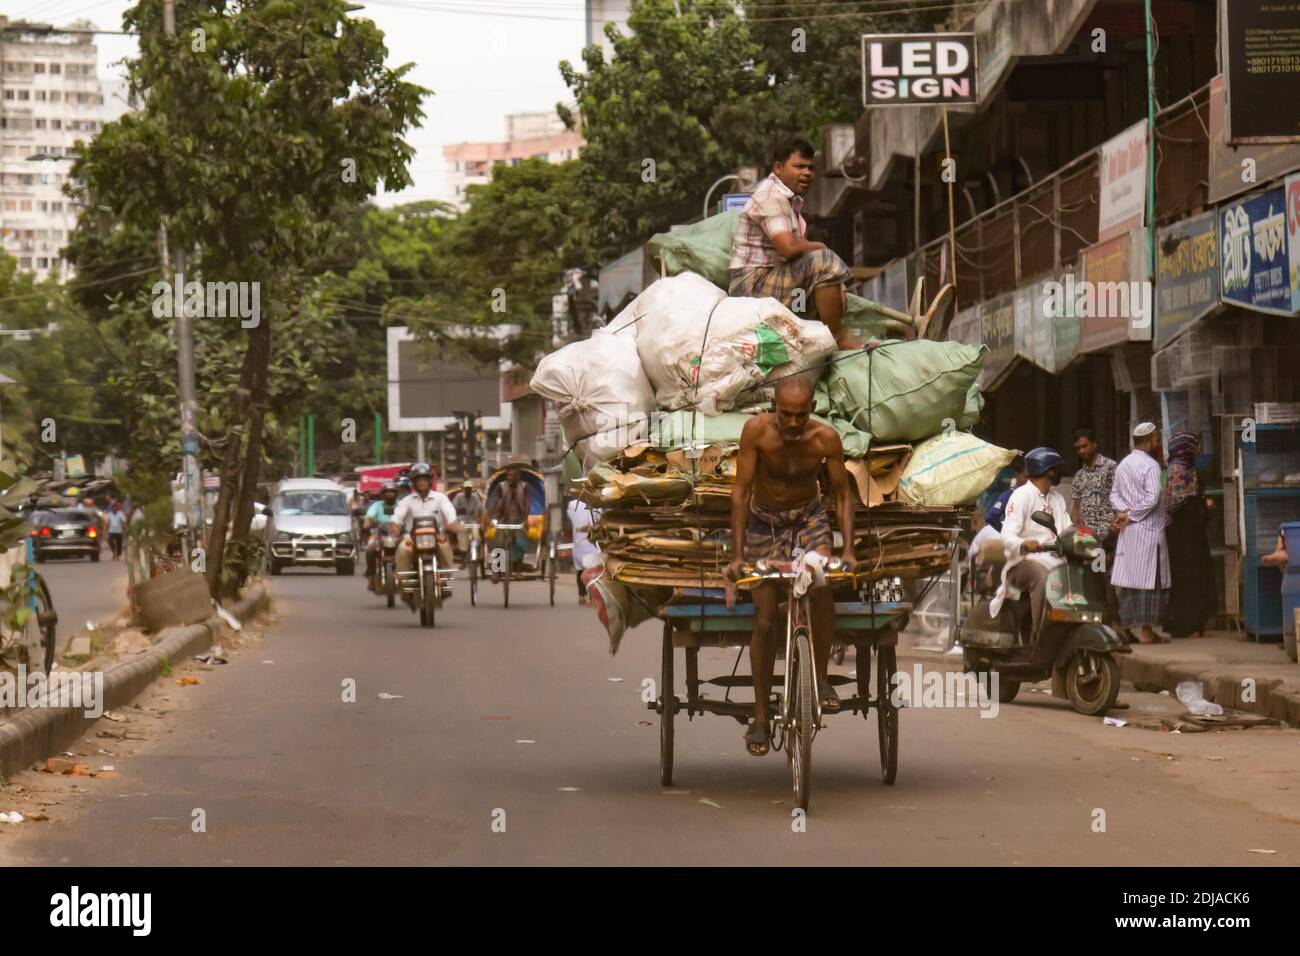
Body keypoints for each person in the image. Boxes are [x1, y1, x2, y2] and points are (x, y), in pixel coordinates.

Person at [726, 374, 856, 757]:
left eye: (801, 415)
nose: (794, 423)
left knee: (821, 589)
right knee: (765, 619)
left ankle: (820, 681)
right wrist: (737, 556)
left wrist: (848, 550)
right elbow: (740, 491)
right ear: (774, 409)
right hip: (764, 522)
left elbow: (843, 494)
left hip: (809, 520)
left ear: (811, 410)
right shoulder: (757, 432)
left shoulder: (825, 439)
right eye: (786, 415)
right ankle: (762, 717)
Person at [728, 137, 864, 350]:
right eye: (799, 166)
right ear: (779, 168)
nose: (807, 173)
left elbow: (798, 253)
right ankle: (837, 337)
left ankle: (823, 336)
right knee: (824, 259)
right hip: (752, 284)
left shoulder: (789, 201)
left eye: (811, 168)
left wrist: (836, 283)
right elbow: (789, 248)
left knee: (824, 270)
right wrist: (822, 248)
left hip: (772, 277)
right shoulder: (771, 196)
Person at [996, 447, 1073, 640]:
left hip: (1055, 560)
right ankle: (1042, 635)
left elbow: (1067, 530)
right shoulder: (1021, 496)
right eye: (1056, 469)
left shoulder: (1057, 498)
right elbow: (1006, 536)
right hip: (1023, 562)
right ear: (1049, 471)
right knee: (1044, 578)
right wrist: (1024, 543)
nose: (1057, 473)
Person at [1110, 422, 1170, 644]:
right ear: (1147, 441)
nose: (1157, 442)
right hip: (1147, 532)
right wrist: (1131, 514)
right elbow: (1152, 498)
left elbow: (1114, 494)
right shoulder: (1152, 466)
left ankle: (1128, 629)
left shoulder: (1123, 464)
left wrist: (1122, 512)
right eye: (1155, 439)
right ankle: (1145, 631)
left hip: (1129, 533)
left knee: (1129, 582)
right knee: (1149, 582)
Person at [1163, 432, 1216, 638]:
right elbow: (1173, 503)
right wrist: (1200, 503)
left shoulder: (1187, 467)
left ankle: (1194, 623)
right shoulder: (1179, 468)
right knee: (1188, 576)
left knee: (1193, 575)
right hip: (1182, 533)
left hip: (1188, 532)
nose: (1198, 449)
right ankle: (1189, 623)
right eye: (1194, 445)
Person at [389, 463, 460, 606]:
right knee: (402, 549)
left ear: (430, 481)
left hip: (436, 538)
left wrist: (453, 524)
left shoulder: (441, 498)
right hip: (412, 539)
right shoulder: (406, 500)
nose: (422, 482)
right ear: (414, 482)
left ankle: (444, 579)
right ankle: (405, 585)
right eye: (419, 479)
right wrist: (395, 527)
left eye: (425, 479)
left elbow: (450, 514)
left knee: (446, 548)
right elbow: (396, 518)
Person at [1070, 428, 1118, 542]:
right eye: (1078, 448)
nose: (1081, 451)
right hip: (1087, 539)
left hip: (1109, 536)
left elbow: (1121, 498)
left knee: (1104, 560)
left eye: (1084, 446)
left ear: (1094, 444)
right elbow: (1076, 507)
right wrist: (1073, 532)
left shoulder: (1111, 467)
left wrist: (1114, 528)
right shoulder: (1079, 475)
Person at [489, 465, 532, 579]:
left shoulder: (524, 486)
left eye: (512, 475)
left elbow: (527, 503)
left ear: (518, 477)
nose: (509, 477)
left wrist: (525, 519)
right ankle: (497, 570)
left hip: (519, 520)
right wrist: (493, 518)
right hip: (503, 519)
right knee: (499, 543)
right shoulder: (501, 486)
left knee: (521, 543)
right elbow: (496, 501)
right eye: (508, 475)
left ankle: (518, 570)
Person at [362, 482, 401, 588]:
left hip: (398, 535)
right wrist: (367, 522)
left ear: (396, 493)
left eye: (392, 492)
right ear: (383, 494)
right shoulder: (376, 505)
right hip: (380, 534)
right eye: (387, 492)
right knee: (370, 550)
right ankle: (371, 576)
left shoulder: (401, 504)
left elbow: (407, 516)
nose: (389, 494)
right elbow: (369, 516)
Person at [567, 496, 599, 605]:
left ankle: (581, 596)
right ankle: (590, 596)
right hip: (591, 543)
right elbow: (598, 523)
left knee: (580, 570)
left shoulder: (572, 505)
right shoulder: (597, 506)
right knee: (592, 572)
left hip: (578, 542)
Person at [453, 479, 486, 560]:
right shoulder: (458, 496)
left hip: (472, 519)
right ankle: (463, 556)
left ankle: (477, 552)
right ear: (463, 489)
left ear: (471, 489)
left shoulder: (475, 497)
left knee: (476, 535)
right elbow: (453, 506)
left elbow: (480, 508)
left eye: (469, 488)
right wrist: (459, 509)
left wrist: (480, 518)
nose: (468, 490)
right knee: (462, 535)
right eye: (466, 488)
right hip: (461, 519)